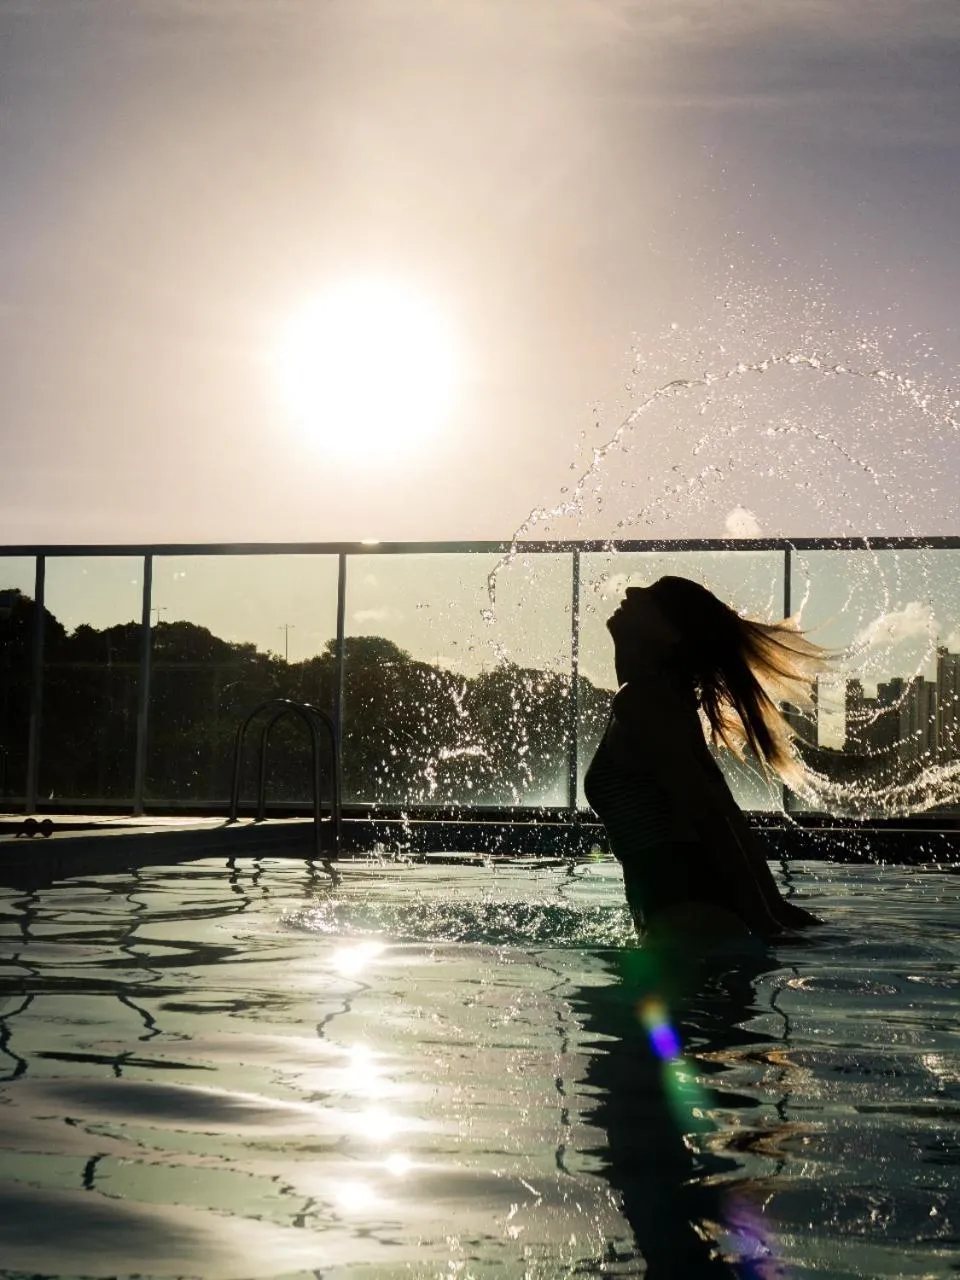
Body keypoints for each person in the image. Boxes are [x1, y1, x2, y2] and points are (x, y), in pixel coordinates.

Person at [584, 576, 828, 940]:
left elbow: (709, 815)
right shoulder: (666, 703)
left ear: (672, 635)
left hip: (688, 917)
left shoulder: (643, 703)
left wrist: (766, 922)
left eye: (654, 597)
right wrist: (772, 911)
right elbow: (726, 810)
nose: (633, 591)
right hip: (694, 916)